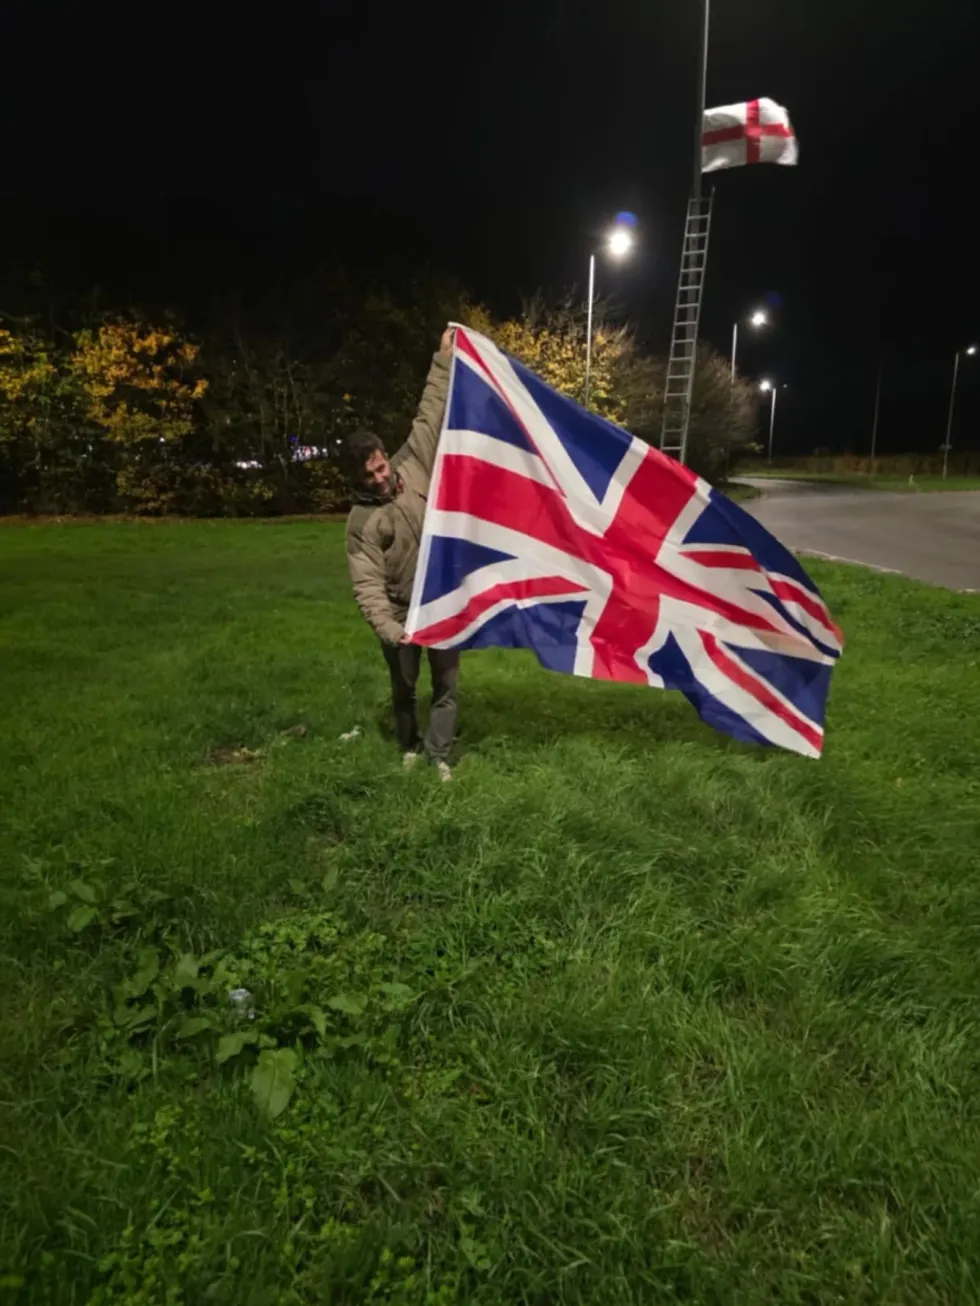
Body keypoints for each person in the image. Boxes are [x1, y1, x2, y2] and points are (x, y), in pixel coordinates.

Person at [344, 327, 459, 780]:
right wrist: (394, 631)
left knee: (447, 686)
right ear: (356, 480)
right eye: (368, 476)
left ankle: (440, 757)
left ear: (384, 457)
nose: (379, 478)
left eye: (379, 467)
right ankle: (410, 745)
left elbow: (430, 413)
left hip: (442, 602)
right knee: (405, 688)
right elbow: (367, 586)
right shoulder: (361, 523)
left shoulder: (413, 461)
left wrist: (444, 357)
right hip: (401, 615)